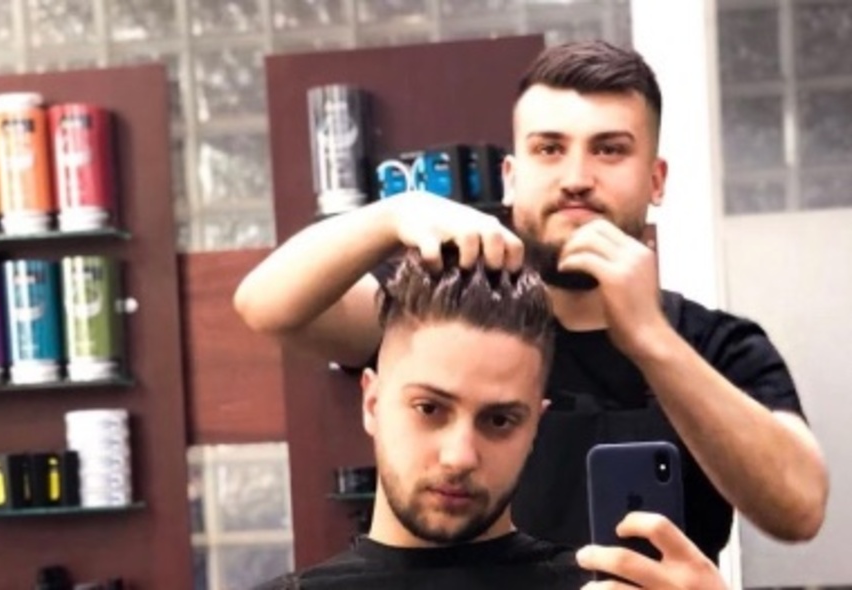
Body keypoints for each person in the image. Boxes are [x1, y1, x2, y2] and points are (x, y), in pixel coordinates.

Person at [235, 40, 829, 562]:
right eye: (550, 149)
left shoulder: (718, 345)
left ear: (656, 179)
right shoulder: (460, 318)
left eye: (609, 150)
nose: (576, 176)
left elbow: (799, 509)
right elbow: (268, 305)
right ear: (512, 177)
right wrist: (393, 215)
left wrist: (652, 341)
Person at [254, 251, 727, 589]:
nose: (460, 455)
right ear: (373, 403)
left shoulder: (608, 587)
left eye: (499, 421)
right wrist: (397, 213)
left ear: (535, 428)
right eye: (430, 409)